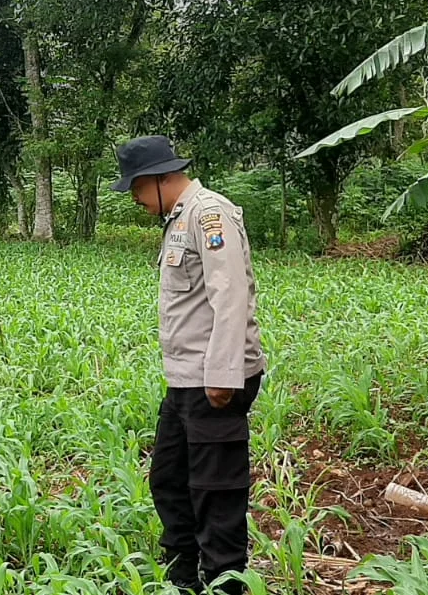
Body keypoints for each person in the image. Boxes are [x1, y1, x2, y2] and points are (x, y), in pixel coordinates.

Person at [111, 136, 266, 594]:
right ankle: (183, 579)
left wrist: (223, 377)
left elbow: (229, 295)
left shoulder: (209, 214)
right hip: (185, 380)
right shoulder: (179, 218)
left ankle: (224, 583)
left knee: (215, 491)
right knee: (169, 480)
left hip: (214, 381)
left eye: (136, 188)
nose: (135, 199)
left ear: (158, 179)